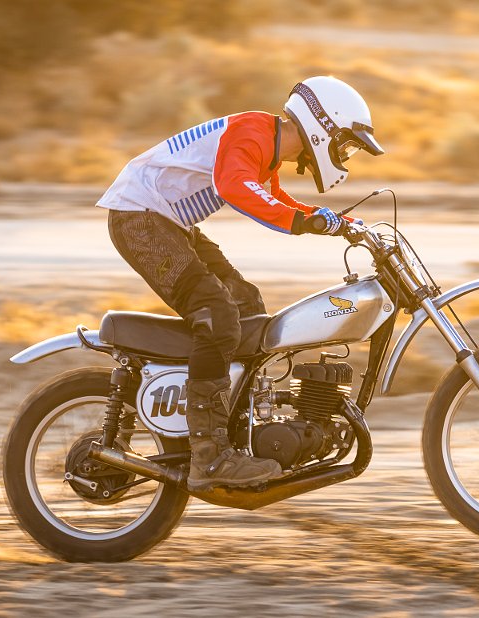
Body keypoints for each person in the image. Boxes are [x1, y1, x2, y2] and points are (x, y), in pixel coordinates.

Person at [97, 76, 384, 491]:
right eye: (344, 143)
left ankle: (238, 431)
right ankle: (209, 458)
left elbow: (277, 200)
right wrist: (305, 222)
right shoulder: (251, 132)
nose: (344, 154)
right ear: (322, 125)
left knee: (246, 304)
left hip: (167, 223)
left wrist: (341, 222)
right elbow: (237, 188)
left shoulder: (265, 144)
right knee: (215, 314)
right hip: (139, 219)